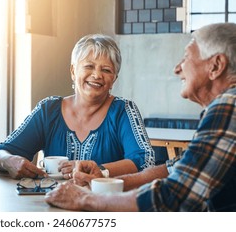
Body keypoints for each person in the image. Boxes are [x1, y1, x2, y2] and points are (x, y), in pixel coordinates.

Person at [45, 22, 236, 212]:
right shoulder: (225, 107)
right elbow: (173, 168)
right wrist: (103, 180)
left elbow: (174, 196)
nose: (177, 69)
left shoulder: (229, 106)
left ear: (216, 66)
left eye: (186, 57)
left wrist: (87, 200)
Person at [0, 34, 155, 179]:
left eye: (106, 70)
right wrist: (9, 161)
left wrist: (101, 170)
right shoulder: (48, 109)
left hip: (103, 206)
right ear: (73, 71)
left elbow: (145, 160)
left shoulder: (124, 110)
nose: (97, 75)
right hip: (51, 204)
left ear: (114, 79)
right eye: (89, 66)